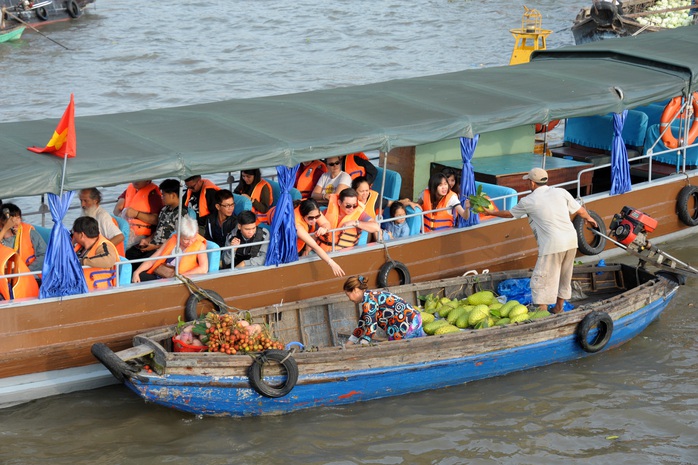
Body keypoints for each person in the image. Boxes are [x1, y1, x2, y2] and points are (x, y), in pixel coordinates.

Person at [485, 167, 598, 314]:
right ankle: (559, 307)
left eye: (528, 182)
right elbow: (581, 211)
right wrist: (590, 219)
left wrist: (489, 212)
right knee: (565, 275)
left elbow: (509, 214)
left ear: (532, 184)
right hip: (571, 240)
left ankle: (542, 312)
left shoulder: (528, 201)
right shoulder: (560, 192)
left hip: (553, 244)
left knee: (542, 279)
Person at [343, 275, 425, 344]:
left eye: (348, 295)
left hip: (406, 325)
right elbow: (362, 324)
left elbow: (372, 326)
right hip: (414, 319)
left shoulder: (369, 302)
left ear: (355, 290)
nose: (349, 299)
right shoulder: (371, 296)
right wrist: (348, 345)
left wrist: (364, 343)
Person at [125, 179, 188, 261]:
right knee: (128, 254)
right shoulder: (164, 210)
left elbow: (179, 242)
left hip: (164, 249)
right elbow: (159, 229)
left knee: (137, 262)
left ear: (172, 195)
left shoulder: (182, 214)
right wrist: (147, 240)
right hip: (153, 245)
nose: (162, 198)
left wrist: (155, 247)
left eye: (164, 195)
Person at [132, 216, 208, 283]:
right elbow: (153, 259)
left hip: (180, 280)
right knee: (139, 276)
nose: (190, 242)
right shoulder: (172, 239)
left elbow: (203, 269)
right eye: (186, 239)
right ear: (179, 235)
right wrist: (137, 272)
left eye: (193, 238)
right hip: (162, 274)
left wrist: (182, 276)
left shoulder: (200, 245)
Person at [402, 172, 470, 232]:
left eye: (445, 184)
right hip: (424, 235)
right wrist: (408, 203)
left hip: (443, 236)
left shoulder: (452, 197)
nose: (444, 187)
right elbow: (416, 205)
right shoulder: (426, 194)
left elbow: (465, 216)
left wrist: (467, 208)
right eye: (440, 185)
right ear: (434, 187)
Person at [294, 199, 345, 277]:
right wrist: (332, 263)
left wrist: (324, 228)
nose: (315, 220)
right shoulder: (297, 224)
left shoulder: (313, 209)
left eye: (317, 217)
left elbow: (326, 223)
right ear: (303, 215)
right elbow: (315, 247)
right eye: (311, 218)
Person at [72, 216, 120, 290]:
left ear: (82, 235)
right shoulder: (81, 246)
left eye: (74, 233)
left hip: (96, 290)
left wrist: (82, 262)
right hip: (79, 286)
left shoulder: (104, 245)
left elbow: (108, 259)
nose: (73, 236)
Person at [113, 180, 163, 248]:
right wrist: (123, 221)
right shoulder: (130, 189)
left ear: (148, 180)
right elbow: (117, 209)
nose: (135, 181)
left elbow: (156, 220)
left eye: (140, 179)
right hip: (126, 230)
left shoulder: (153, 194)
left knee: (121, 246)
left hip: (142, 234)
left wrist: (136, 214)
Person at [0, 203, 46, 274]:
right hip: (5, 277)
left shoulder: (29, 232)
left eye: (18, 218)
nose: (15, 222)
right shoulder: (1, 235)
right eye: (12, 219)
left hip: (30, 274)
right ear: (2, 221)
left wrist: (26, 271)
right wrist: (5, 228)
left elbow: (44, 254)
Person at [79, 188, 125, 255]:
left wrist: (99, 251)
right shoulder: (86, 212)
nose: (82, 204)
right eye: (81, 201)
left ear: (95, 201)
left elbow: (120, 237)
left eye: (86, 201)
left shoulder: (102, 216)